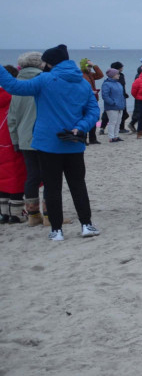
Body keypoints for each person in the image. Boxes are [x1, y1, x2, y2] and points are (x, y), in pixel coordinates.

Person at [0, 44, 101, 241]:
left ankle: (57, 231)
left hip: (47, 145)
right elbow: (93, 112)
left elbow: (13, 86)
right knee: (78, 185)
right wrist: (80, 127)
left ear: (50, 63)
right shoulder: (82, 82)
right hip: (74, 142)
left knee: (52, 187)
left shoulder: (45, 80)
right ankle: (86, 225)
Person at [7, 52, 46, 226]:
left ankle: (33, 214)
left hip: (24, 137)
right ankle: (49, 213)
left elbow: (12, 118)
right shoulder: (44, 81)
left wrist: (15, 140)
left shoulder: (16, 85)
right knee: (50, 176)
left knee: (32, 176)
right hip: (44, 136)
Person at [0, 70, 28, 224]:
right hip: (11, 140)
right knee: (16, 176)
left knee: (3, 177)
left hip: (1, 142)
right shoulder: (13, 96)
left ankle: (4, 212)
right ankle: (16, 213)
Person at [79, 59, 104, 144]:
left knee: (93, 118)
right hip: (84, 100)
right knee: (85, 119)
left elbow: (100, 75)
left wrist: (94, 66)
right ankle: (83, 139)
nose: (89, 68)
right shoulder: (80, 75)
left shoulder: (91, 74)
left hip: (93, 99)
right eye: (88, 66)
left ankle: (93, 139)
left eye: (90, 66)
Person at [100, 68, 126, 142]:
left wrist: (122, 103)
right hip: (111, 107)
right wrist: (112, 102)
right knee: (112, 122)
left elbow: (121, 95)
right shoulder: (106, 84)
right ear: (113, 75)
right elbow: (105, 96)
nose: (119, 75)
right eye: (117, 74)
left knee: (118, 122)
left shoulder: (118, 83)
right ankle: (111, 137)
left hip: (120, 106)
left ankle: (116, 136)